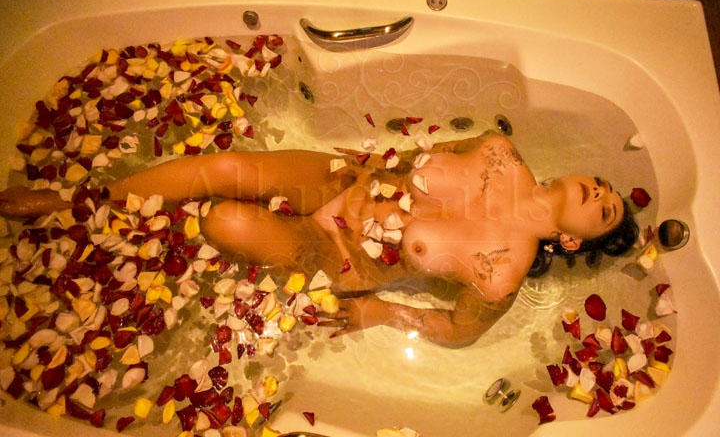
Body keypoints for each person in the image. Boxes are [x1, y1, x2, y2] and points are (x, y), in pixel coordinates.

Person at [0, 131, 638, 348]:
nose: (603, 194)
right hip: (340, 178)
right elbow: (417, 154)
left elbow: (460, 331)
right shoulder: (499, 149)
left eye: (607, 212)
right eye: (606, 186)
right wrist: (368, 168)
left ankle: (137, 220)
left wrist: (381, 312)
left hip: (333, 250)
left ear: (570, 241)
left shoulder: (503, 272)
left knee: (224, 221)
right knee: (226, 166)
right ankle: (75, 202)